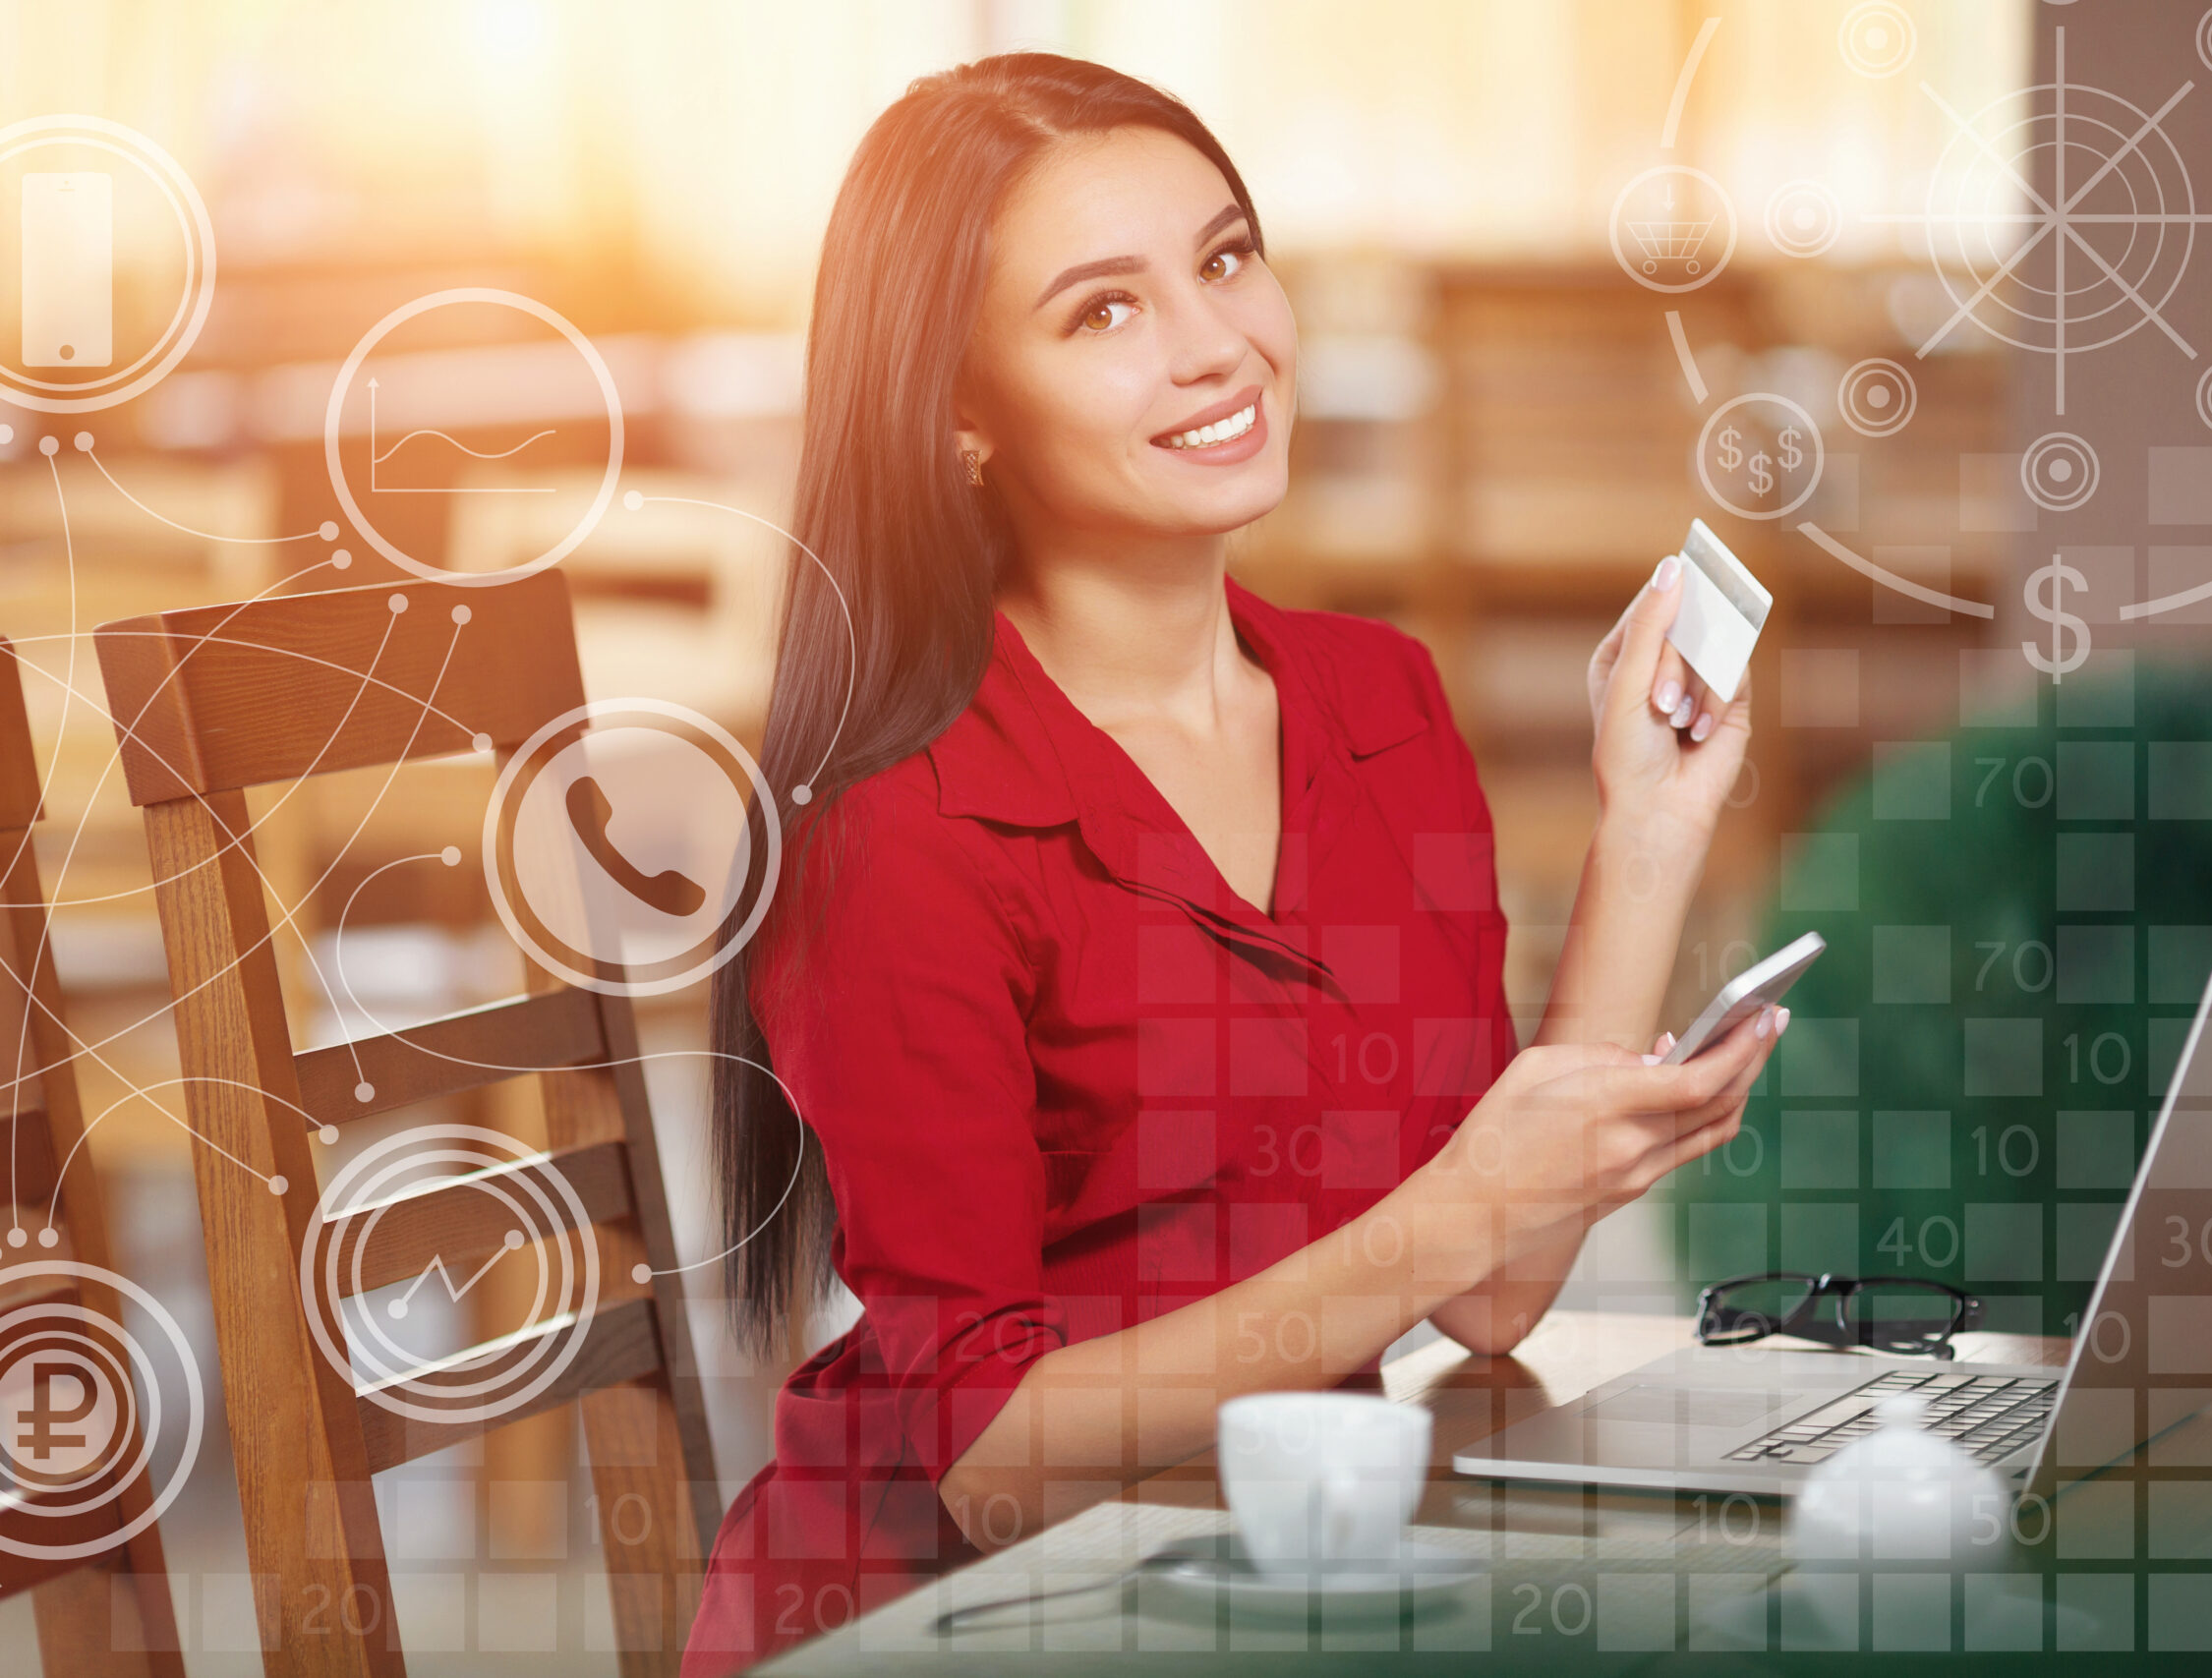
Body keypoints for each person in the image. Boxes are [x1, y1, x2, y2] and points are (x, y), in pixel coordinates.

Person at [682, 51, 1775, 1674]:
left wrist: (1652, 830)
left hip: (1261, 1574)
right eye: (1102, 312)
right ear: (962, 414)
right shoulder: (899, 830)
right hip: (947, 1618)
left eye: (1223, 256)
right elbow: (989, 1468)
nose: (1219, 346)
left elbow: (1488, 1295)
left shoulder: (1377, 700)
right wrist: (1458, 1206)